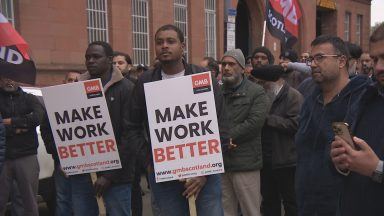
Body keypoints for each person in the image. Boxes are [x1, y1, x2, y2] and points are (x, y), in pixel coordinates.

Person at [127, 24, 229, 216]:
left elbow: (220, 126)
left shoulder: (203, 77)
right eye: (159, 42)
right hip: (164, 176)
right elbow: (131, 126)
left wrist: (204, 172)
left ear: (183, 46)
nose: (164, 46)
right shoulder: (145, 82)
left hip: (204, 176)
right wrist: (149, 161)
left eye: (170, 41)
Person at [295, 35, 369, 216]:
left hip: (344, 206)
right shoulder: (310, 99)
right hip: (306, 204)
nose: (312, 64)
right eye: (311, 59)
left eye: (320, 58)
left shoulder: (363, 100)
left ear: (342, 61)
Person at [330, 23, 384, 216]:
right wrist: (342, 160)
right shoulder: (366, 97)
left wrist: (376, 169)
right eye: (375, 58)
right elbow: (350, 156)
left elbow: (371, 167)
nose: (378, 67)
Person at [220, 49, 269, 216]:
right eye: (223, 64)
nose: (226, 68)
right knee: (226, 212)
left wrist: (228, 137)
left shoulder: (256, 92)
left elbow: (255, 123)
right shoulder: (218, 93)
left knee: (251, 211)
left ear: (242, 68)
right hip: (222, 163)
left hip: (246, 163)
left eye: (231, 64)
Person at [252, 65, 303, 216]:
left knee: (291, 202)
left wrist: (268, 120)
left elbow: (295, 124)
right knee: (269, 201)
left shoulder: (294, 96)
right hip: (266, 160)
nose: (260, 87)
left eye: (263, 83)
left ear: (275, 82)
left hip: (286, 160)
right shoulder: (263, 96)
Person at [0, 76, 44, 216]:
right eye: (5, 77)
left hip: (26, 155)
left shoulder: (29, 98)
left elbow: (38, 117)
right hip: (3, 157)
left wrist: (9, 121)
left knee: (28, 202)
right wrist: (18, 128)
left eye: (12, 78)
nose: (9, 81)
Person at [40, 70, 81, 216]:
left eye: (77, 80)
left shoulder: (88, 102)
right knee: (63, 199)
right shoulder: (54, 103)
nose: (73, 83)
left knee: (82, 200)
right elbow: (46, 131)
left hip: (86, 163)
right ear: (64, 82)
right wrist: (59, 156)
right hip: (62, 162)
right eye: (70, 80)